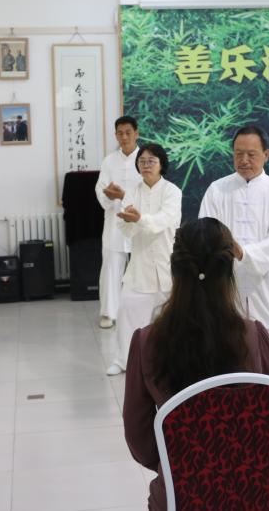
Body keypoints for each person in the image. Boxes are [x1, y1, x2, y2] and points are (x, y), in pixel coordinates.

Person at [123, 217, 269, 511]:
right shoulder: (254, 337)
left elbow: (138, 436)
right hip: (252, 490)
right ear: (229, 270)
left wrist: (180, 459)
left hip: (181, 491)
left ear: (174, 269)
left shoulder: (146, 343)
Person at [199, 125, 269, 385]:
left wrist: (243, 252)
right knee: (228, 358)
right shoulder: (217, 189)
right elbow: (206, 231)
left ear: (266, 154)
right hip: (226, 285)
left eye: (251, 154)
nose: (244, 160)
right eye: (238, 153)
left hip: (268, 286)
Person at [106, 143, 182, 376]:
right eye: (142, 161)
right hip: (139, 267)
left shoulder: (172, 191)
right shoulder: (132, 192)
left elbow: (163, 221)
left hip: (166, 266)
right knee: (127, 312)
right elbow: (124, 228)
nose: (146, 165)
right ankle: (123, 360)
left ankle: (168, 362)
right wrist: (129, 221)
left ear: (161, 165)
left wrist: (138, 219)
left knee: (170, 321)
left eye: (151, 161)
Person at [95, 116, 142, 329]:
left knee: (142, 266)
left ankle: (143, 311)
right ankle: (108, 313)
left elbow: (149, 189)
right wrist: (109, 194)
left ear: (136, 133)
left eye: (128, 132)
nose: (124, 137)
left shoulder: (145, 158)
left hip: (139, 221)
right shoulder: (109, 161)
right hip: (114, 222)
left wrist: (125, 196)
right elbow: (100, 188)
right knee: (111, 267)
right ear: (115, 135)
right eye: (120, 133)